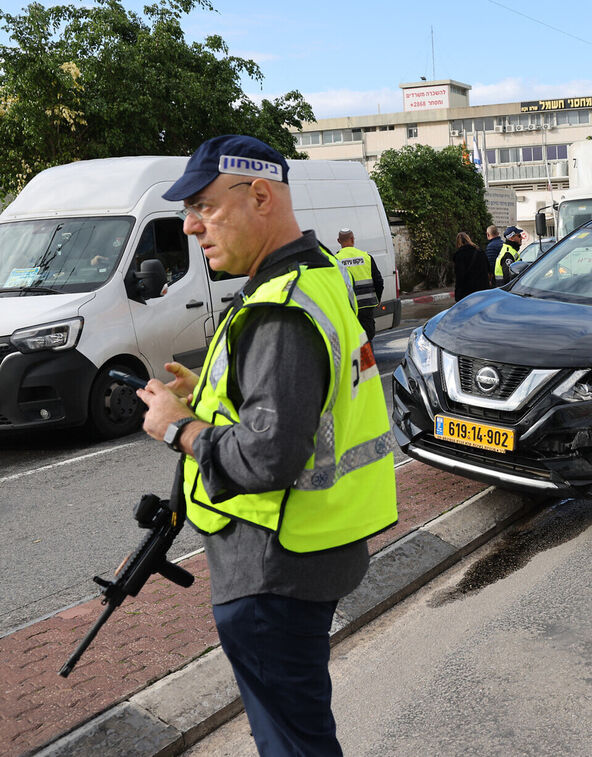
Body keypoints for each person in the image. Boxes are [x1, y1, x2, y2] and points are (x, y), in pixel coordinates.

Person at [136, 134, 398, 756]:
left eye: (203, 206)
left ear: (259, 195)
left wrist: (179, 427)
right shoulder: (317, 276)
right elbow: (300, 397)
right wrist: (213, 388)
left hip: (273, 570)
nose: (192, 227)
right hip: (309, 551)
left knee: (293, 743)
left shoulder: (279, 308)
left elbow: (269, 457)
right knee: (294, 727)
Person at [334, 228, 384, 342]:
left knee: (352, 341)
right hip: (366, 307)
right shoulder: (366, 257)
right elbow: (379, 281)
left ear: (338, 241)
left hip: (348, 308)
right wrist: (378, 299)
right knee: (367, 339)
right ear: (352, 239)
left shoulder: (336, 260)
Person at [453, 230, 491, 300]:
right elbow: (488, 269)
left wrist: (458, 294)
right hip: (482, 290)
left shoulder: (459, 255)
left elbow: (459, 276)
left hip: (468, 292)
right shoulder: (480, 252)